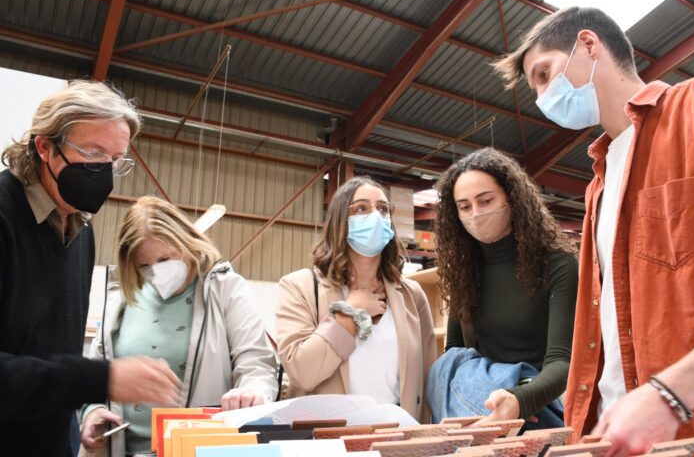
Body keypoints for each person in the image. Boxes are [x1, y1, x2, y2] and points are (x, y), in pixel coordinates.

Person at [493, 6, 694, 455]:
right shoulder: (597, 187)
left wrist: (671, 394)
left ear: (588, 44)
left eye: (544, 74)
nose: (543, 97)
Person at [0, 80, 180, 456]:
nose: (106, 172)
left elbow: (52, 351)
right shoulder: (5, 216)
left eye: (116, 160)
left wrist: (76, 417)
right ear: (45, 147)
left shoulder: (80, 229)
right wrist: (100, 379)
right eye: (94, 153)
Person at [80, 196, 278, 456]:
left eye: (165, 259)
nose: (157, 272)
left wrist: (252, 392)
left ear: (186, 243)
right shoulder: (121, 298)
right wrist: (91, 410)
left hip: (194, 447)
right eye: (145, 265)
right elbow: (97, 370)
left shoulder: (224, 289)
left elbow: (256, 361)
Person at [427, 147, 578, 427]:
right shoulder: (463, 270)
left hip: (539, 398)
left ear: (511, 197)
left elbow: (562, 361)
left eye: (485, 201)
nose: (475, 214)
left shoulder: (558, 264)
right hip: (484, 399)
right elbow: (455, 353)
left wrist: (520, 398)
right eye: (464, 206)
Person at [276, 176, 437, 422]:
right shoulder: (301, 287)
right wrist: (350, 313)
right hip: (328, 442)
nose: (375, 216)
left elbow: (426, 384)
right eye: (361, 208)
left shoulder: (412, 296)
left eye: (383, 209)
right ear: (340, 221)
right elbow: (302, 373)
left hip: (396, 439)